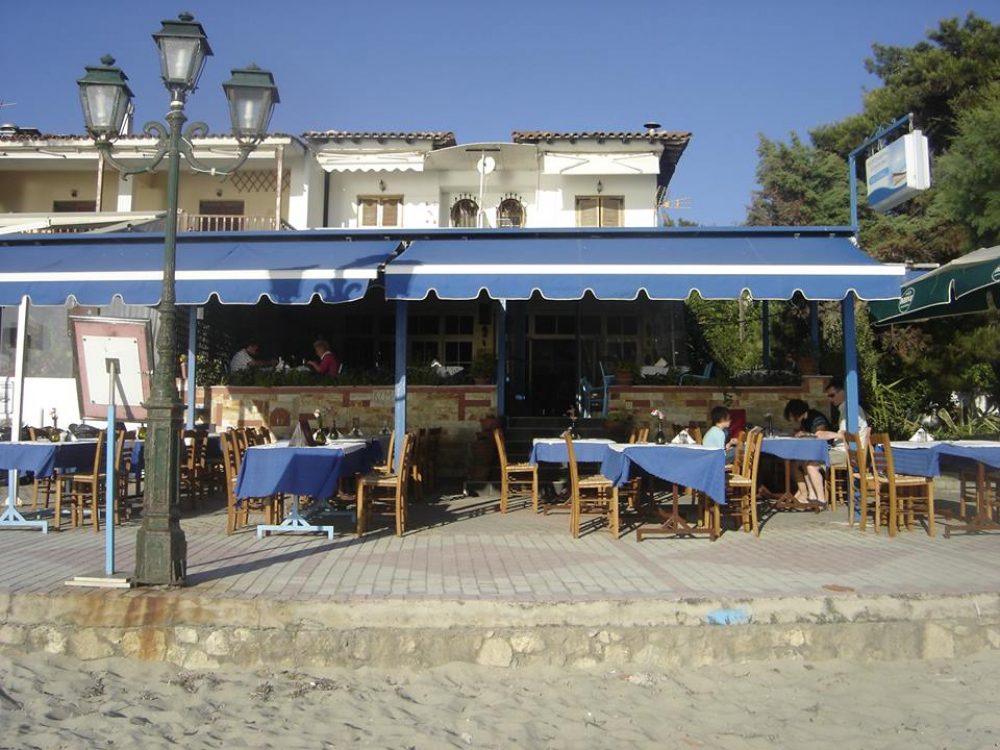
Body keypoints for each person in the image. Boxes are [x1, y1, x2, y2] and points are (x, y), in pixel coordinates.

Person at [783, 398, 831, 504]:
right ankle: (804, 492)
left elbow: (820, 433)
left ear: (797, 412)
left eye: (792, 415)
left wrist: (804, 434)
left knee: (805, 464)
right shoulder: (804, 420)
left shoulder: (817, 418)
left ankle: (813, 496)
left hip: (823, 450)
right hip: (811, 451)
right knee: (793, 464)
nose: (792, 419)